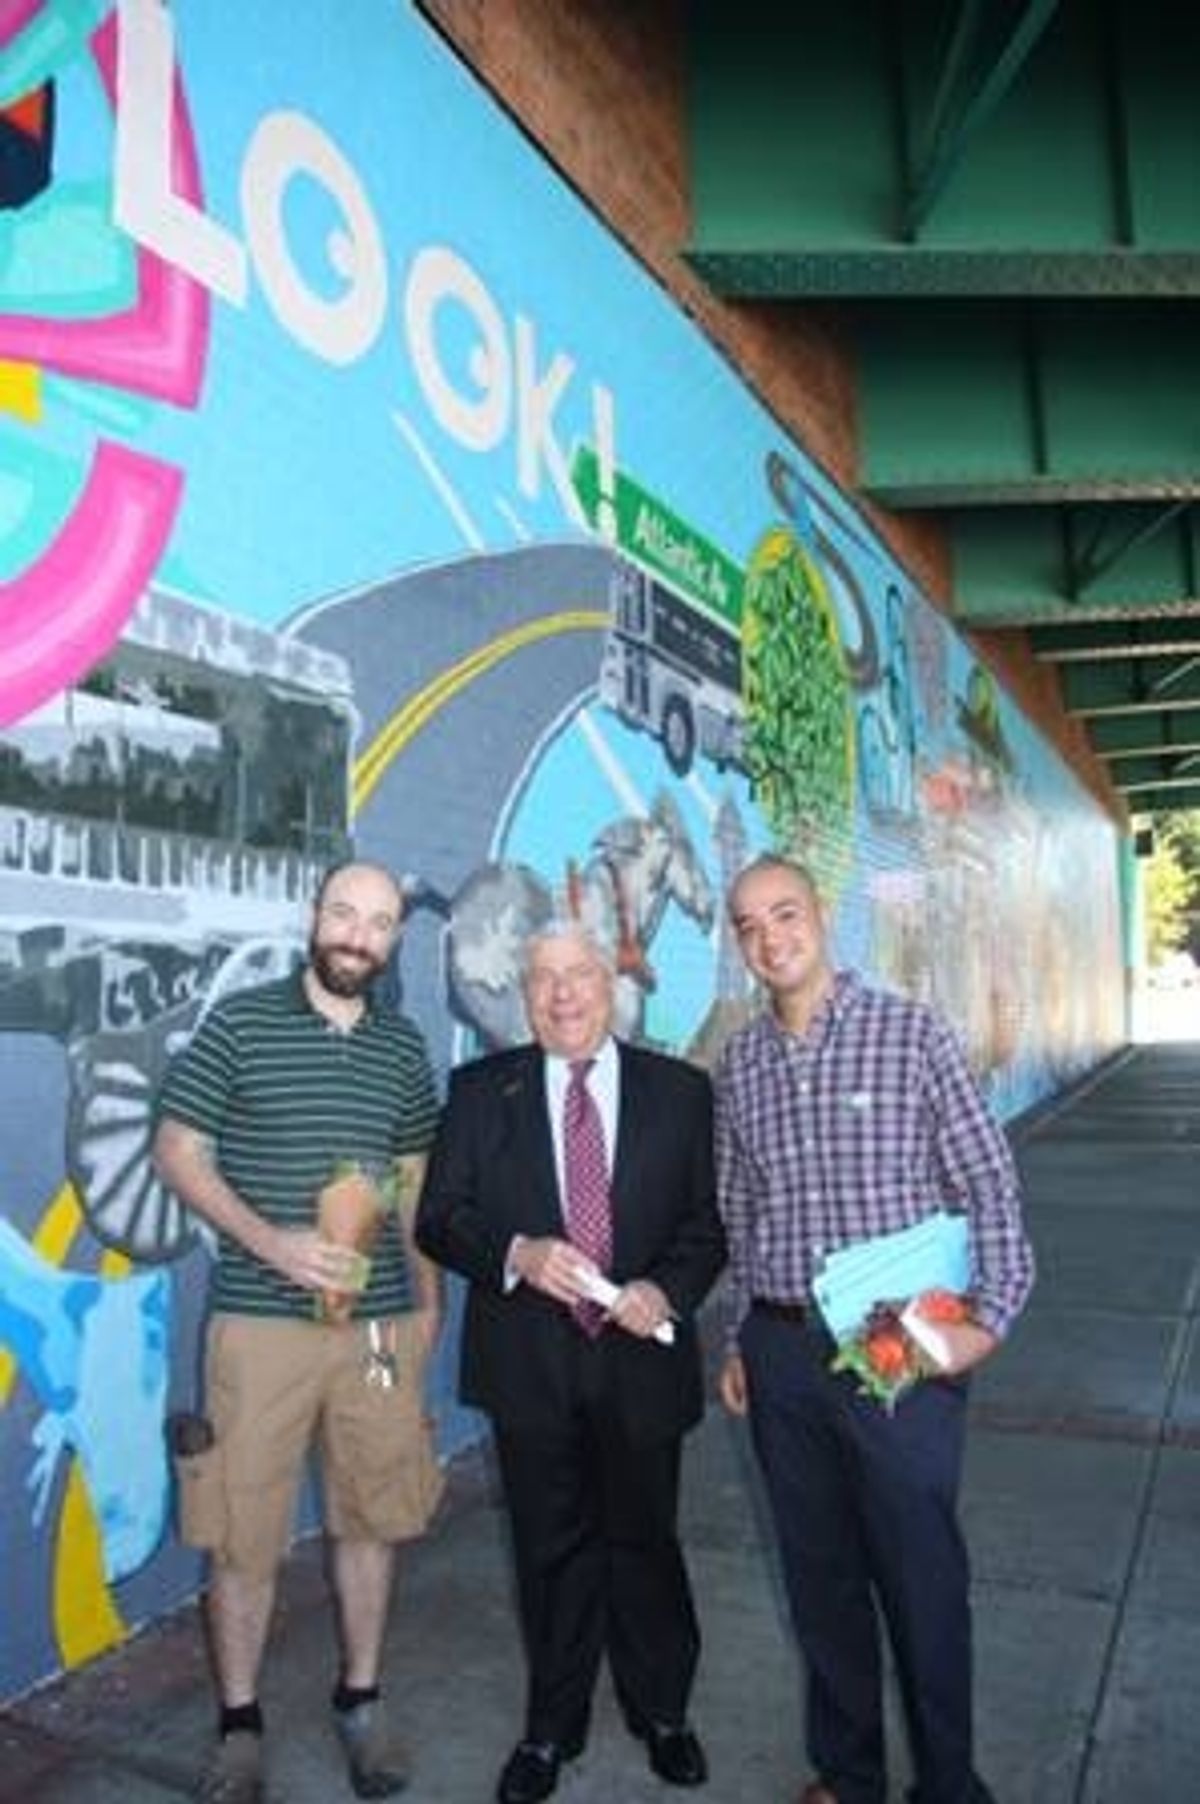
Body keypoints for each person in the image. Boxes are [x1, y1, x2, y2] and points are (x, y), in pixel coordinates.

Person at [712, 854, 1034, 1804]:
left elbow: (989, 1182)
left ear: (823, 917)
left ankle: (947, 1787)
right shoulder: (740, 1065)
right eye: (748, 925)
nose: (770, 937)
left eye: (785, 914)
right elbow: (740, 1211)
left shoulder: (910, 1033)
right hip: (781, 1348)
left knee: (919, 1578)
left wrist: (990, 1320)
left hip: (894, 1336)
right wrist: (738, 1335)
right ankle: (848, 1777)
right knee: (819, 1578)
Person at [415, 919, 726, 1804]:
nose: (563, 994)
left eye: (579, 974)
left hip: (639, 1358)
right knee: (549, 1551)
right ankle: (551, 1729)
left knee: (645, 1543)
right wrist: (514, 1252)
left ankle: (663, 1711)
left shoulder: (680, 1091)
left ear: (611, 982)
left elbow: (707, 1225)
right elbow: (440, 1217)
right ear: (526, 992)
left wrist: (666, 1292)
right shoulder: (482, 1092)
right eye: (544, 978)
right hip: (530, 1367)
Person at [153, 859, 443, 1804]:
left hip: (376, 1336)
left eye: (379, 922)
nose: (357, 935)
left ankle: (361, 1700)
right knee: (242, 1534)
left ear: (395, 938)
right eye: (344, 913)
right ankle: (240, 1725)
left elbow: (414, 1190)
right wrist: (270, 1241)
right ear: (314, 917)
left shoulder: (404, 1048)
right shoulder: (240, 1023)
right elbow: (177, 1149)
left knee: (371, 1518)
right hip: (259, 1323)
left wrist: (427, 1305)